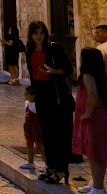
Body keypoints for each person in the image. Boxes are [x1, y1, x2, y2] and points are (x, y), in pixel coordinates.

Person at [26, 21, 74, 185]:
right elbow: (33, 74)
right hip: (41, 95)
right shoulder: (30, 50)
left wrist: (54, 72)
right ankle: (51, 166)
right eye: (35, 33)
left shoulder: (54, 48)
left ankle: (61, 169)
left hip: (56, 95)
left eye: (41, 33)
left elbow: (68, 69)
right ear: (31, 35)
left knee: (58, 133)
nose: (38, 36)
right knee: (46, 133)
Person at [72, 48, 107, 194]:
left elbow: (92, 95)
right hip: (100, 117)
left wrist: (87, 113)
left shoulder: (87, 76)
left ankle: (98, 188)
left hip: (94, 119)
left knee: (95, 154)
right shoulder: (99, 76)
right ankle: (96, 183)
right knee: (96, 154)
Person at [20, 85, 45, 170]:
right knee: (29, 144)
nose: (25, 95)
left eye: (27, 94)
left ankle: (47, 164)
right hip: (28, 127)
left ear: (33, 95)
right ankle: (30, 162)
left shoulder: (36, 106)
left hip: (36, 128)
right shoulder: (27, 104)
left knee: (40, 146)